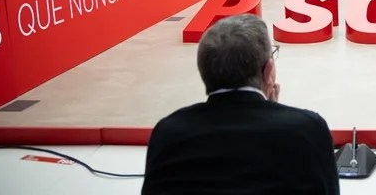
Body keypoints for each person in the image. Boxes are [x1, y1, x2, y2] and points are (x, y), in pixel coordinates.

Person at [141, 15, 340, 195]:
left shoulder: (168, 134)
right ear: (268, 71)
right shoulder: (308, 130)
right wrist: (277, 115)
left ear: (204, 70)